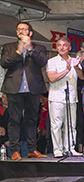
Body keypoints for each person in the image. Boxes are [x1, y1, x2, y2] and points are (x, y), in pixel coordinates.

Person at [0, 22, 48, 160]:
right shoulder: (9, 47)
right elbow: (4, 63)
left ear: (30, 33)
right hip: (14, 88)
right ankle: (15, 150)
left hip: (33, 88)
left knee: (31, 120)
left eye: (24, 29)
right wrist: (19, 52)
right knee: (14, 120)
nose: (20, 31)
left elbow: (42, 62)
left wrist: (30, 49)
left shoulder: (39, 48)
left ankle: (32, 149)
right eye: (18, 29)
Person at [46, 37, 83, 157]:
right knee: (56, 125)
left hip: (72, 97)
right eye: (59, 45)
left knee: (71, 125)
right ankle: (58, 149)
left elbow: (82, 77)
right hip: (56, 97)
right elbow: (52, 78)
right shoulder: (52, 61)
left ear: (69, 47)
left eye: (64, 45)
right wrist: (67, 70)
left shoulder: (75, 60)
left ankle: (70, 148)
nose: (62, 47)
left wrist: (76, 67)